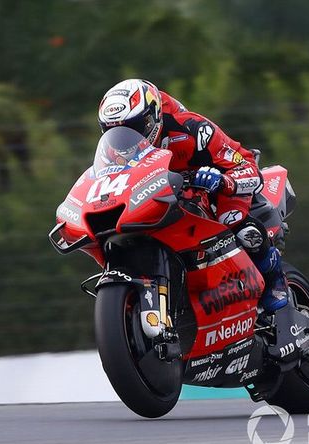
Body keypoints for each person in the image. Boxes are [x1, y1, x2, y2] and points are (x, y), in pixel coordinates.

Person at [97, 78, 288, 313]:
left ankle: (273, 278)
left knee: (234, 220)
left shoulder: (191, 128)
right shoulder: (111, 150)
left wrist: (222, 181)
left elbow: (245, 164)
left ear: (153, 116)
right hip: (155, 195)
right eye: (114, 131)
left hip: (209, 186)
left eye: (134, 128)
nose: (124, 139)